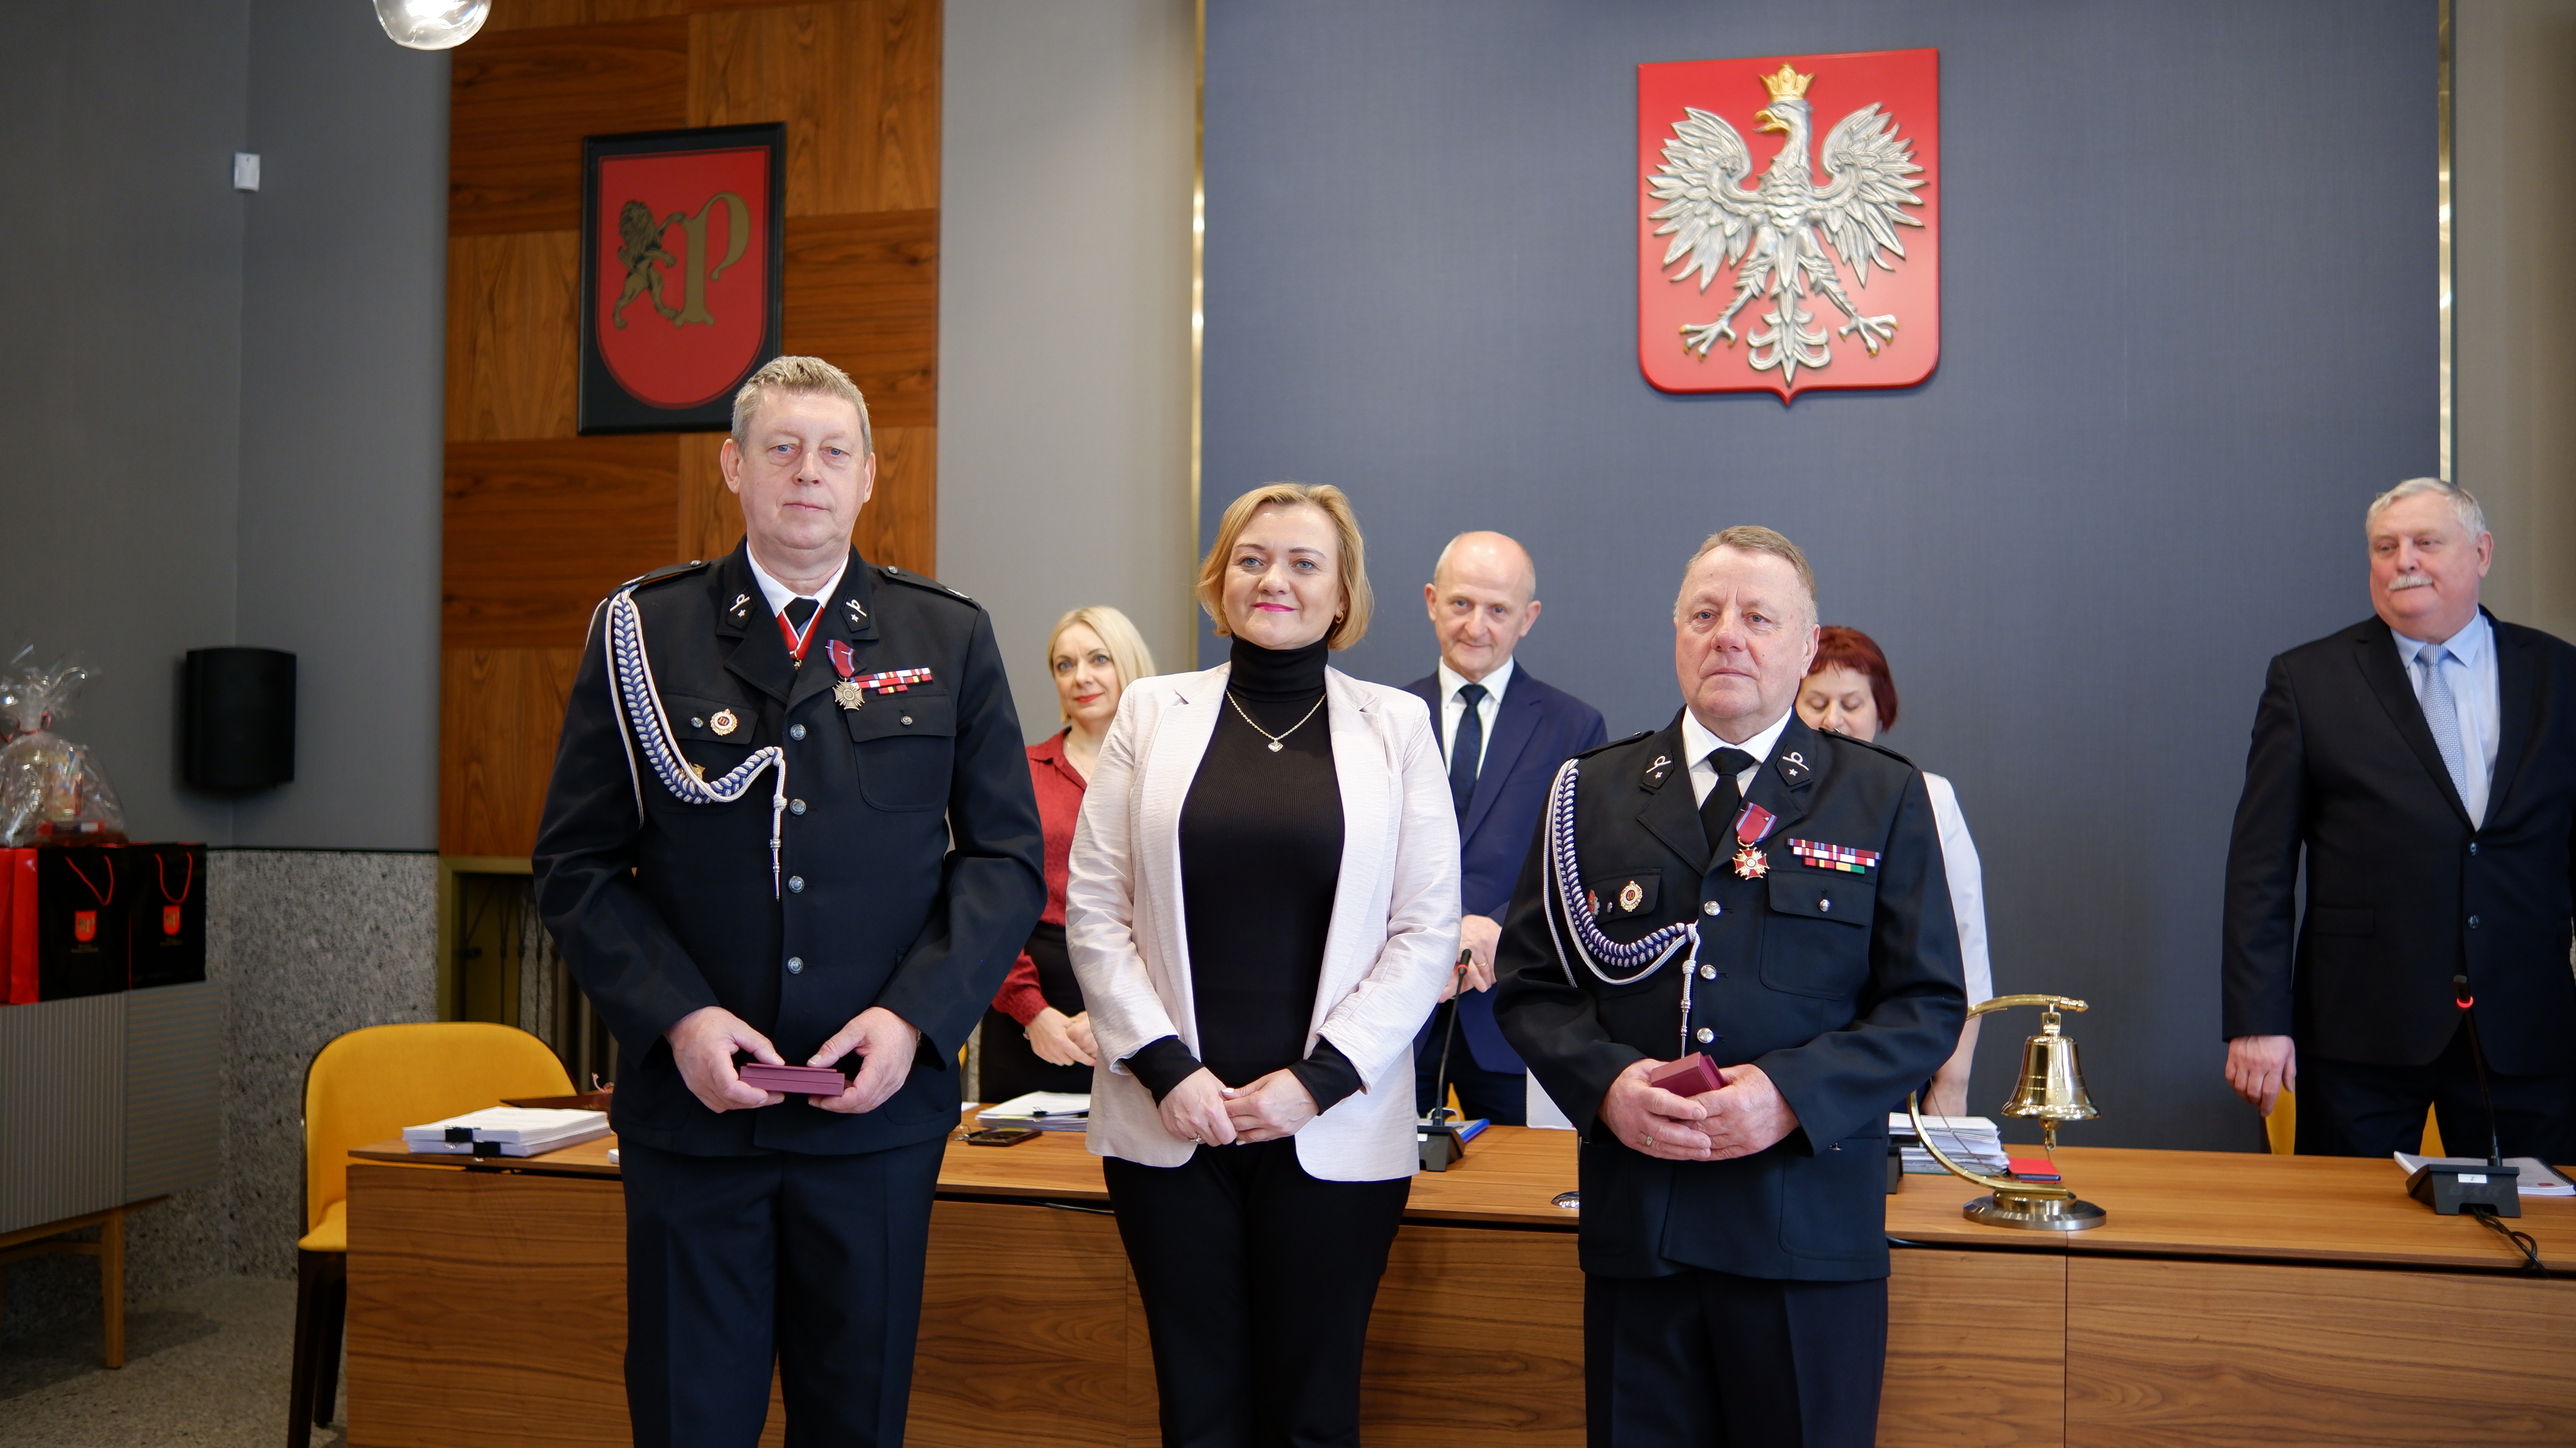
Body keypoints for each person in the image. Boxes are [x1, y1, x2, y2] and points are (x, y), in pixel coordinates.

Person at [533, 355, 1046, 1448]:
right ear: (734, 466)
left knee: (855, 1420)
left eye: (833, 451)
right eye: (782, 448)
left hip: (875, 1120)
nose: (808, 472)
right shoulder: (646, 630)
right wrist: (679, 1017)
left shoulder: (946, 635)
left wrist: (915, 1018)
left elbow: (1004, 860)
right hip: (695, 1117)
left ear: (868, 476)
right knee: (690, 1417)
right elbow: (576, 865)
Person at [1493, 525, 1965, 1448]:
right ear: (1676, 632)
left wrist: (1790, 1095)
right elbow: (1531, 986)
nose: (1729, 637)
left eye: (1758, 617)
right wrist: (1608, 1087)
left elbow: (1926, 1007)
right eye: (1705, 614)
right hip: (1643, 1231)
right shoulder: (1591, 791)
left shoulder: (1881, 797)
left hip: (1805, 1235)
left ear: (1806, 643)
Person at [1066, 482, 1459, 1448]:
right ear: (1221, 580)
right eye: (1251, 559)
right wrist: (1168, 1070)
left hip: (1334, 1126)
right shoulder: (1151, 712)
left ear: (1342, 593)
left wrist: (1317, 1082)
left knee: (1312, 1416)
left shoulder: (1397, 727)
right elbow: (1096, 910)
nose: (1273, 578)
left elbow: (1425, 931)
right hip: (1171, 1123)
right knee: (1197, 1411)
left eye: (1302, 562)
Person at [2221, 477, 2576, 1162]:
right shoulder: (2308, 680)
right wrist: (2257, 1021)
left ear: (2481, 553)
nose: (2403, 560)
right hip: (2361, 1033)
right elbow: (2260, 866)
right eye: (2385, 547)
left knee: (2539, 1222)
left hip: (2527, 1029)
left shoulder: (2560, 676)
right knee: (2347, 1223)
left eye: (2425, 542)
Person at [1404, 531, 1606, 1125]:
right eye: (1461, 603)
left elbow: (1579, 866)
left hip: (1508, 1013)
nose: (1476, 626)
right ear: (1431, 601)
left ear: (1528, 618)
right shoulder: (1384, 717)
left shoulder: (1574, 727)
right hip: (1397, 1012)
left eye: (1498, 610)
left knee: (1519, 1175)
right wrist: (1441, 930)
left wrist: (1490, 928)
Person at [1796, 625, 1993, 1116]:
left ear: (1881, 710)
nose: (1833, 720)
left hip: (1894, 1063)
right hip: (1785, 1067)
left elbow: (1964, 944)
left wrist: (1953, 1082)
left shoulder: (1927, 796)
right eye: (1816, 703)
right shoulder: (1763, 800)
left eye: (1851, 704)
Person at [980, 606, 1156, 1103]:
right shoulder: (1022, 773)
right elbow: (989, 900)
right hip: (1030, 1004)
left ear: (1129, 664)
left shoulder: (1172, 774)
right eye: (1064, 665)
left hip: (1143, 1000)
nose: (1081, 677)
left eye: (1099, 659)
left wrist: (1119, 1009)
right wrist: (1031, 1012)